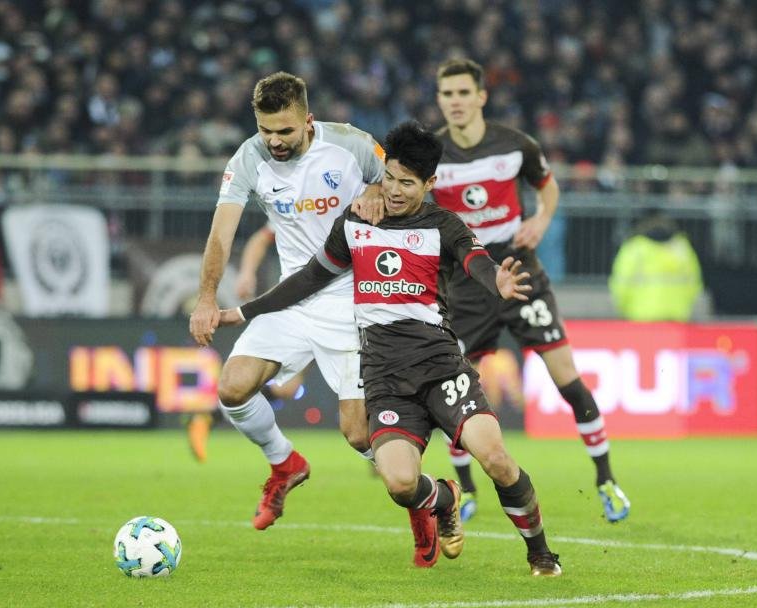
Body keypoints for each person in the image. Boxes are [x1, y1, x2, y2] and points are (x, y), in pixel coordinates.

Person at [218, 121, 563, 576]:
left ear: (429, 184)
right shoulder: (357, 223)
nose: (395, 191)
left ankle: (540, 553)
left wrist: (495, 279)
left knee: (496, 458)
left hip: (441, 368)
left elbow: (476, 260)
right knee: (400, 484)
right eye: (390, 178)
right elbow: (307, 279)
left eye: (407, 183)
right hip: (384, 376)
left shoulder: (444, 225)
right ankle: (444, 498)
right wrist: (247, 312)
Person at [431, 58, 630, 523]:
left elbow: (549, 186)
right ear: (440, 100)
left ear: (481, 97)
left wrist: (540, 219)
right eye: (447, 94)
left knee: (569, 381)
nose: (456, 102)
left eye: (464, 93)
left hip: (521, 276)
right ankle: (466, 489)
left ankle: (606, 481)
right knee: (452, 389)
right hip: (466, 287)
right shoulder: (431, 154)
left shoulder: (516, 145)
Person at [189, 71, 385, 530]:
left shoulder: (351, 145)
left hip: (353, 298)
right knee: (233, 387)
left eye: (285, 131)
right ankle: (285, 463)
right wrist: (205, 298)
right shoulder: (248, 159)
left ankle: (428, 498)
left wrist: (379, 186)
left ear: (308, 120)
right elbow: (222, 232)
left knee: (359, 436)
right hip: (293, 297)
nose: (274, 141)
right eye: (265, 130)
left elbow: (405, 181)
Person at [186, 222, 306, 464]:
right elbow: (262, 237)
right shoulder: (302, 196)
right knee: (281, 387)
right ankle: (208, 415)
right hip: (300, 302)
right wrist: (247, 272)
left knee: (288, 389)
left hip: (345, 307)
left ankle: (208, 415)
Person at [608, 212, 703, 321]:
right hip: (677, 316)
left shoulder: (635, 248)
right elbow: (695, 284)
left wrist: (623, 309)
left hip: (641, 316)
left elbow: (621, 285)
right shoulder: (682, 248)